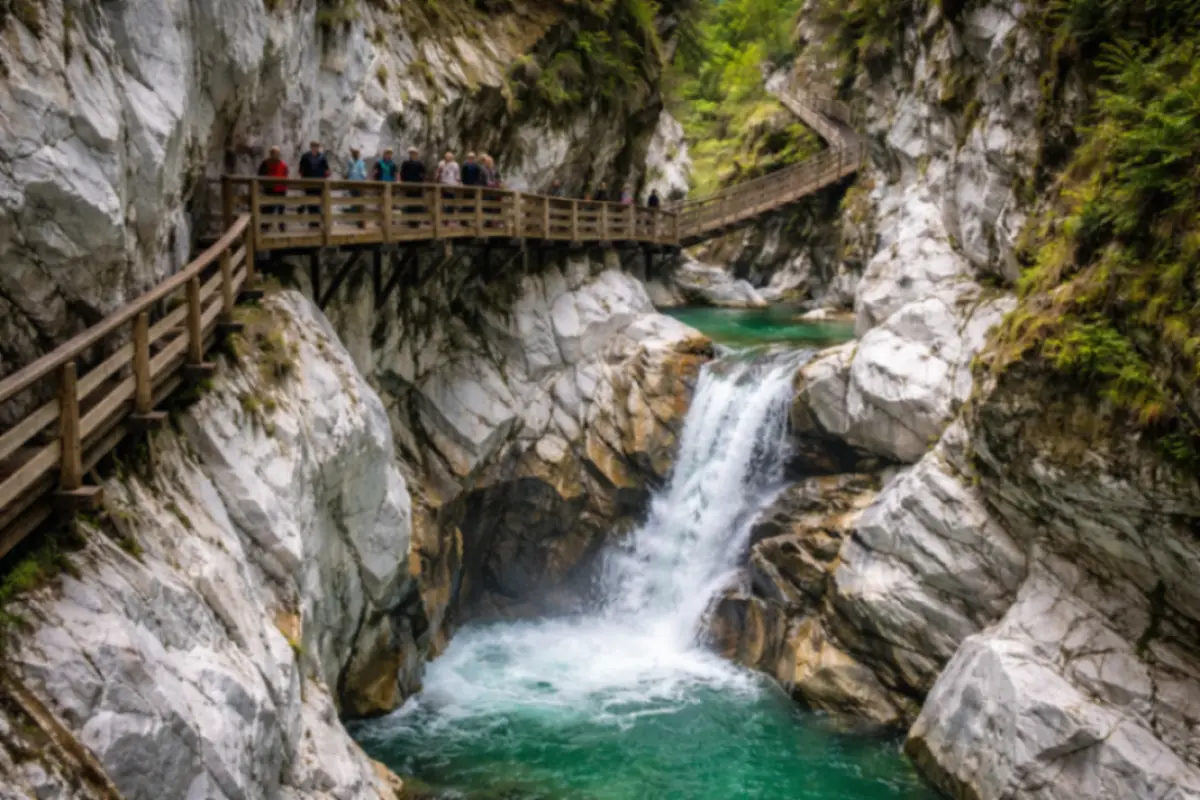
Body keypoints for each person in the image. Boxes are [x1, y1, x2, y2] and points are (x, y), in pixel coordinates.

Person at [298, 140, 330, 227]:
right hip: (308, 183)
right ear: (311, 147)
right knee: (310, 202)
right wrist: (303, 179)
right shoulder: (305, 156)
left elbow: (327, 169)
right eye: (314, 146)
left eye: (316, 146)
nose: (315, 148)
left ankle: (316, 222)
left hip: (319, 183)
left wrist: (325, 176)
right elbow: (301, 169)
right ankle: (313, 222)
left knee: (318, 202)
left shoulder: (322, 157)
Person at [256, 146, 289, 232]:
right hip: (270, 188)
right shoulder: (266, 163)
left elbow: (285, 175)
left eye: (277, 153)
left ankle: (281, 226)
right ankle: (265, 226)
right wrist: (264, 184)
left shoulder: (283, 164)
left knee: (281, 209)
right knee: (268, 208)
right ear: (271, 154)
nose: (276, 155)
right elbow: (261, 175)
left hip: (281, 189)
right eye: (274, 153)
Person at [400, 147, 425, 228]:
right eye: (411, 153)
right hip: (408, 187)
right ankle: (410, 221)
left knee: (417, 205)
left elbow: (423, 174)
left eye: (414, 153)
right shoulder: (406, 163)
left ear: (416, 154)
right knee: (409, 204)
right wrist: (404, 184)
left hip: (417, 188)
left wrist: (419, 182)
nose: (412, 155)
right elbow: (402, 174)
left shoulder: (420, 164)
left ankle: (416, 221)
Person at [436, 151, 461, 227]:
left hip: (452, 186)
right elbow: (437, 175)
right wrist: (439, 172)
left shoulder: (455, 165)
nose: (448, 159)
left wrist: (458, 184)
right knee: (443, 202)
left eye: (450, 157)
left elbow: (457, 176)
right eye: (447, 157)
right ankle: (443, 219)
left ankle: (448, 219)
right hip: (443, 185)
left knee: (451, 203)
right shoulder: (441, 164)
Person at [346, 147, 367, 228]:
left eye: (357, 153)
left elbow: (363, 173)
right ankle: (356, 220)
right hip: (352, 184)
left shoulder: (361, 162)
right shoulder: (350, 162)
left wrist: (364, 177)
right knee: (354, 202)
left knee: (360, 202)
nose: (355, 155)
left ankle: (360, 221)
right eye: (354, 153)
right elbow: (348, 172)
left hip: (360, 184)